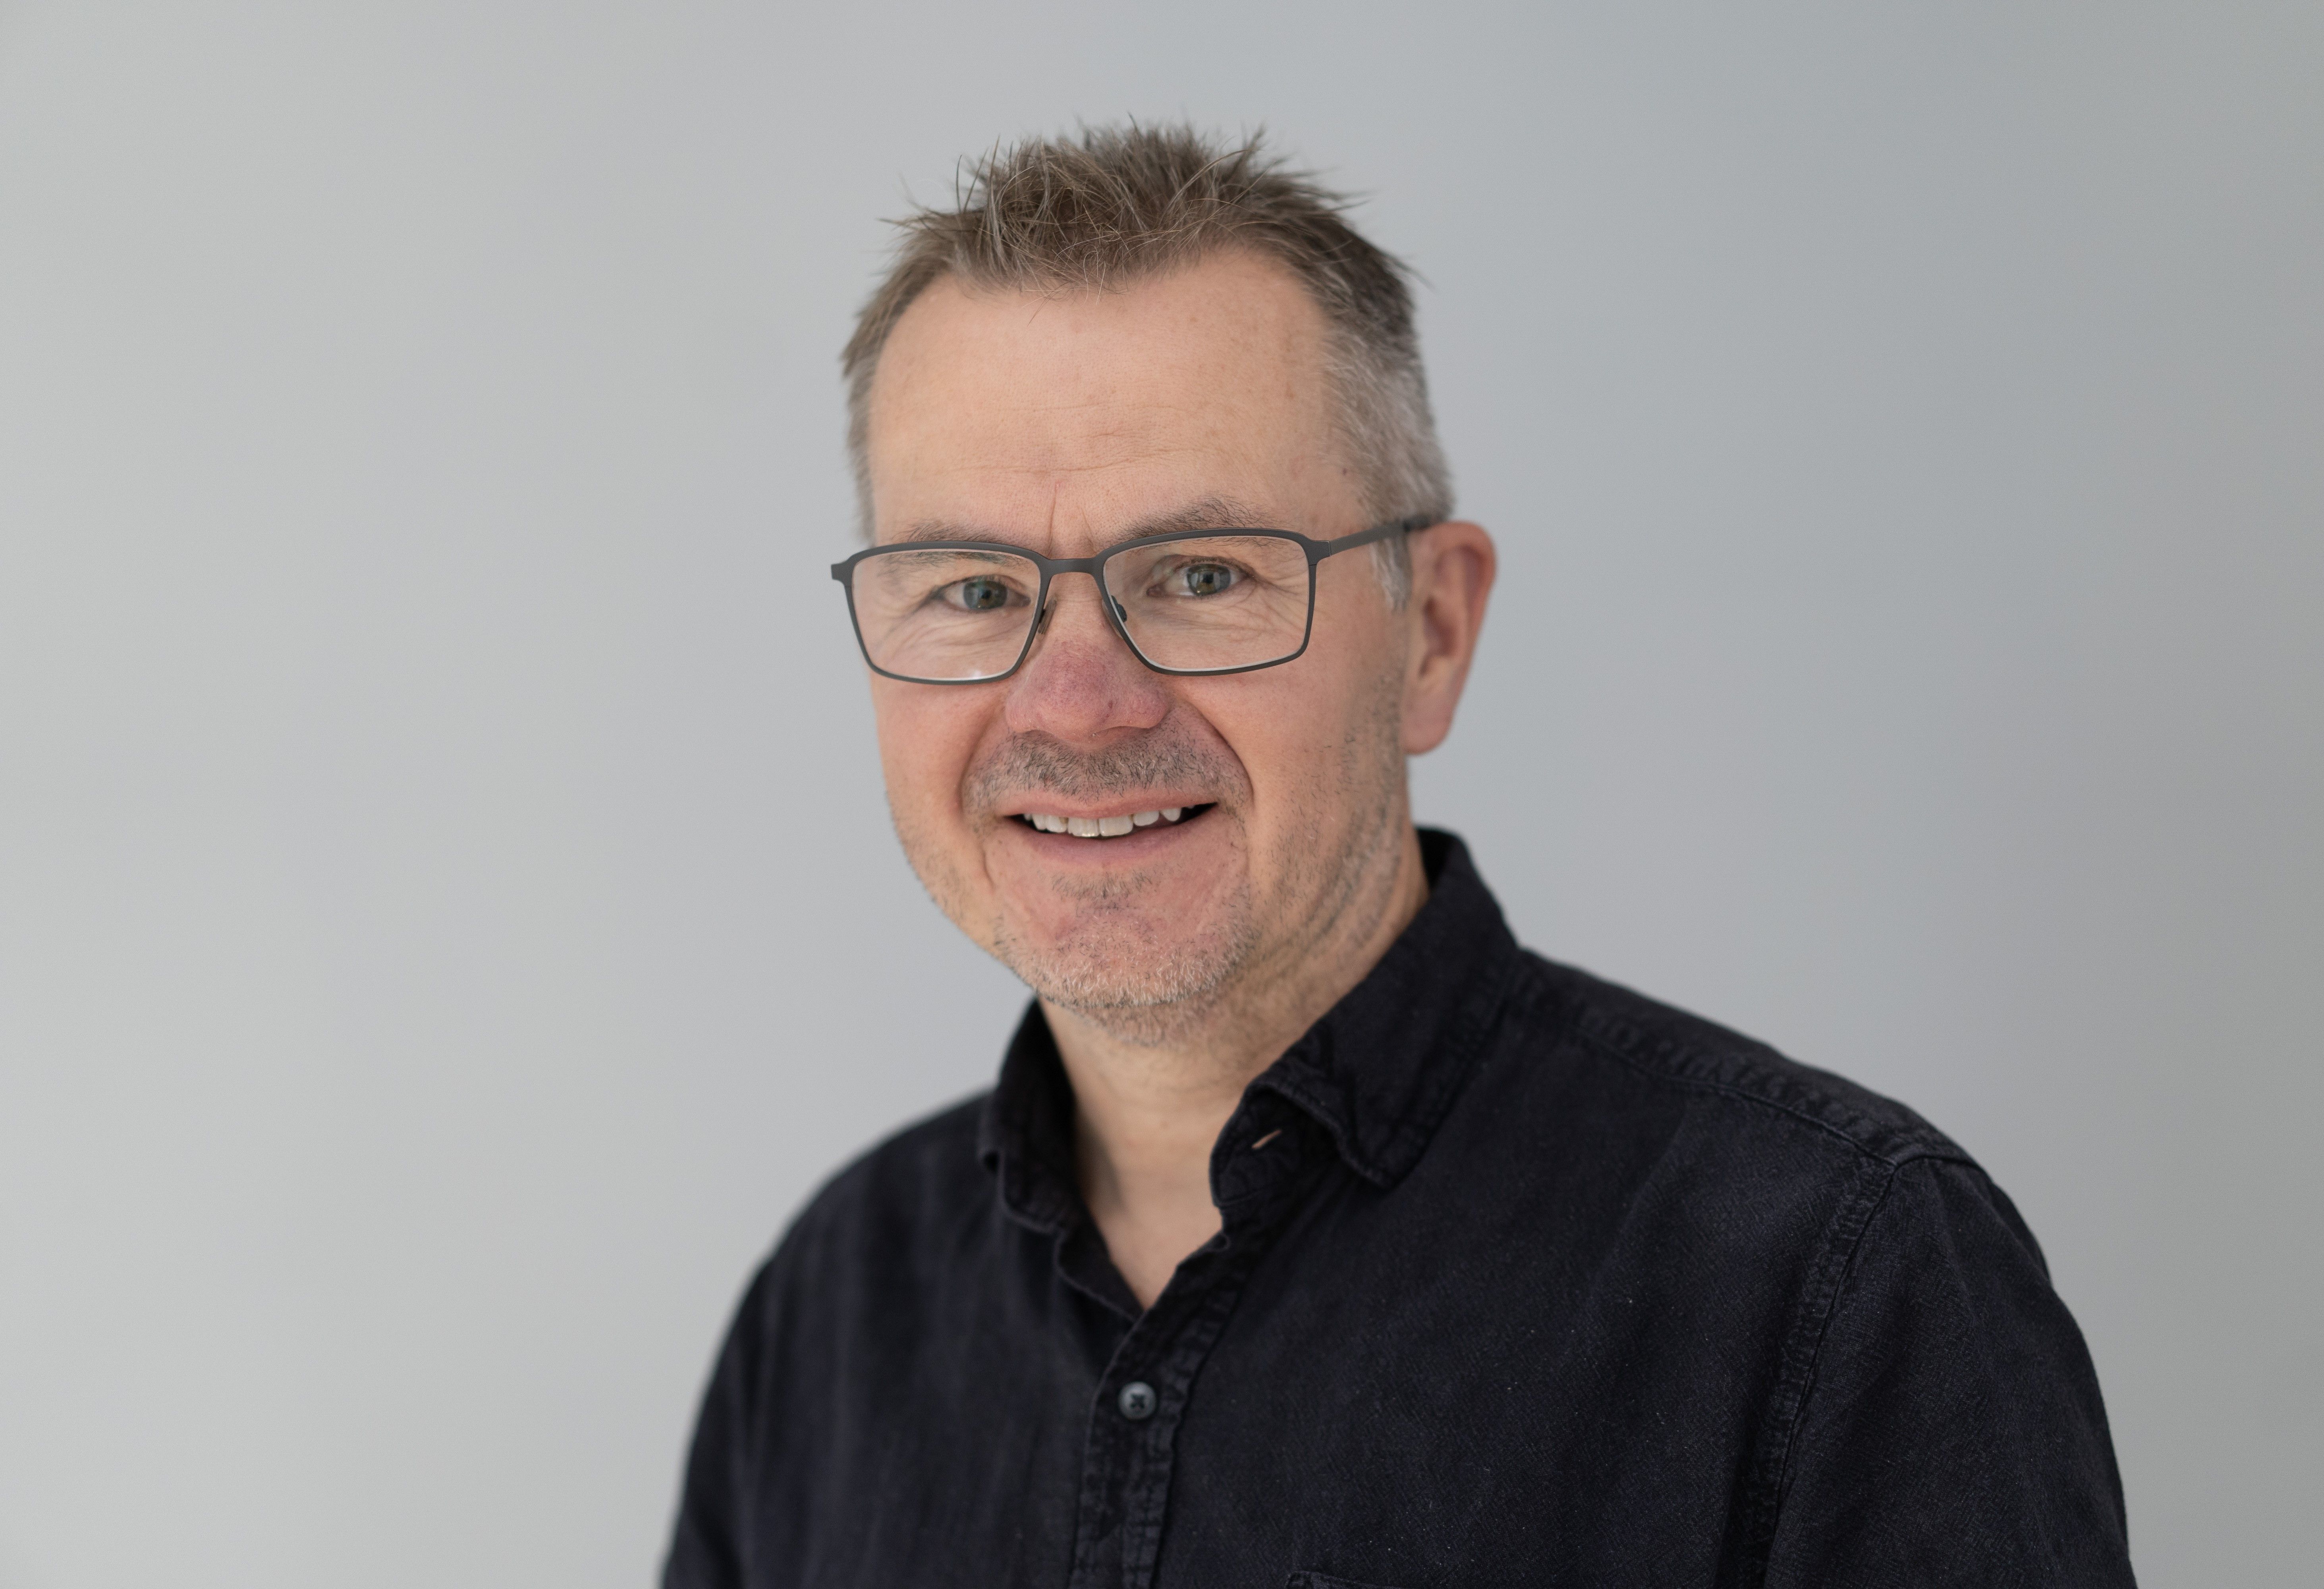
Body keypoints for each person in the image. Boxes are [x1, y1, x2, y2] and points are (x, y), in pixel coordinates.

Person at [663, 124, 2134, 1589]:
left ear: (1431, 633)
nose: (1077, 706)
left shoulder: (1838, 1285)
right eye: (975, 591)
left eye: (1201, 576)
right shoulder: (829, 1316)